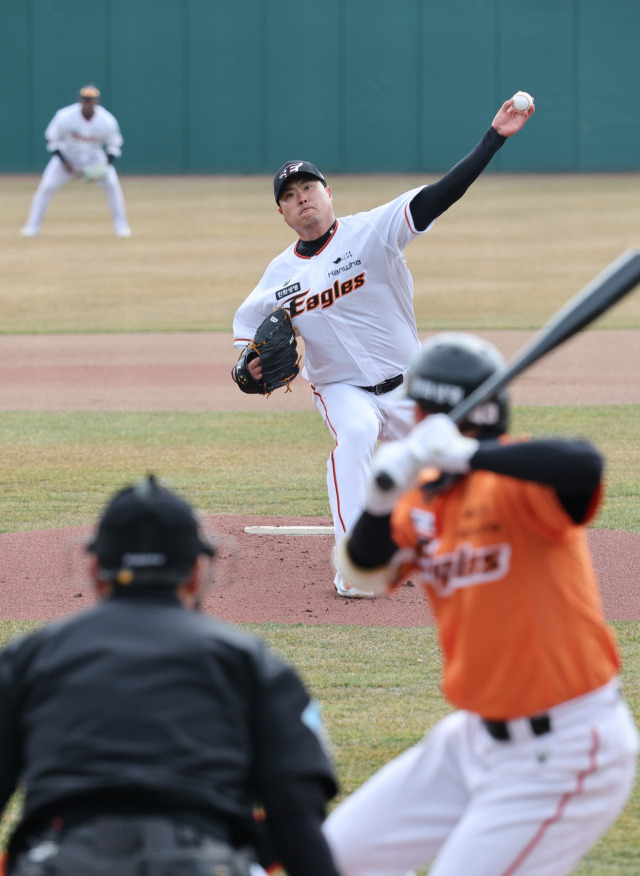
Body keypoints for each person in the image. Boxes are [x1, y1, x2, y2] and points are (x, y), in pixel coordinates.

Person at [323, 332, 639, 876]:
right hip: (471, 738)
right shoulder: (424, 496)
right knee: (328, 857)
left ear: (423, 410)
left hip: (563, 748)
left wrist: (467, 455)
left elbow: (584, 464)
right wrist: (379, 499)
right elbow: (361, 571)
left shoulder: (520, 484)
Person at [232, 95, 534, 598]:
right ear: (282, 212)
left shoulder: (374, 230)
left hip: (410, 385)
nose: (302, 197)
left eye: (309, 186)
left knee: (452, 462)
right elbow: (248, 344)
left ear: (329, 193)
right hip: (341, 387)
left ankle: (482, 541)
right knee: (354, 437)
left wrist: (494, 137)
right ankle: (356, 565)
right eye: (290, 194)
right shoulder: (276, 277)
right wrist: (247, 371)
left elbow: (441, 195)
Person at [0, 475, 341, 876]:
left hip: (62, 860)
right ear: (197, 572)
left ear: (94, 568)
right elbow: (296, 818)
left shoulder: (29, 658)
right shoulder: (250, 662)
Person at [20, 84, 132, 238]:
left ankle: (122, 227)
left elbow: (115, 145)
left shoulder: (107, 120)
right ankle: (32, 227)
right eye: (86, 99)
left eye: (91, 100)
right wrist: (64, 161)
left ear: (96, 102)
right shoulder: (64, 116)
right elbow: (52, 139)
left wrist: (105, 166)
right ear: (80, 100)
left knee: (113, 186)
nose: (88, 102)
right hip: (67, 158)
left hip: (95, 159)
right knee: (46, 187)